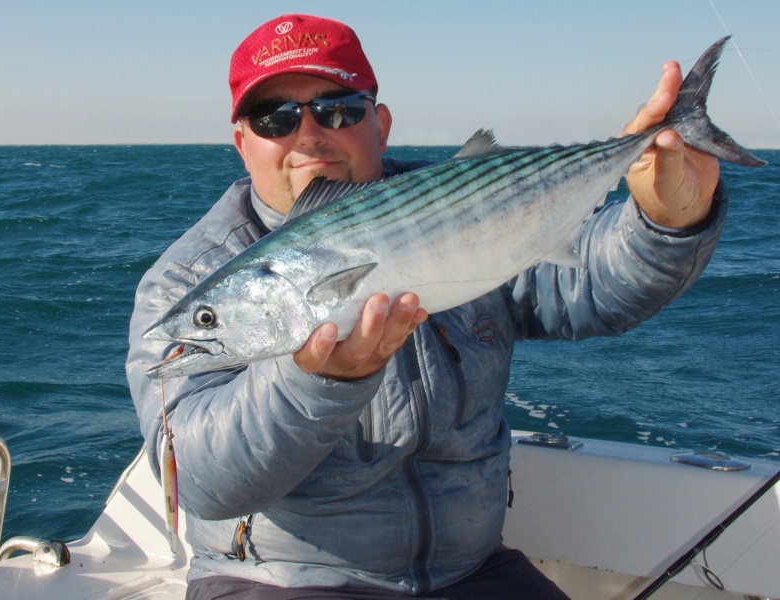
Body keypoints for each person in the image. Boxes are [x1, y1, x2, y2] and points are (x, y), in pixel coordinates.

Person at [126, 13, 724, 600]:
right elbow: (199, 479)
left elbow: (590, 290)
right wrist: (319, 379)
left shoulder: (457, 204)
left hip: (473, 572)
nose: (307, 134)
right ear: (241, 142)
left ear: (379, 124)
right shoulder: (185, 280)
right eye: (274, 117)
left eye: (338, 110)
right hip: (279, 581)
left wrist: (668, 222)